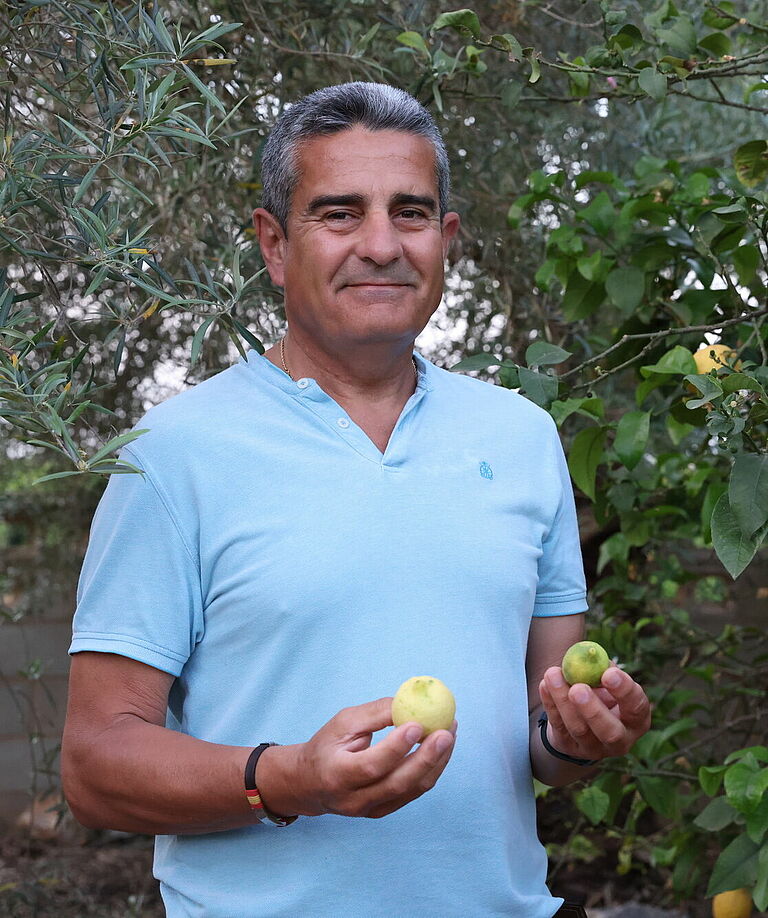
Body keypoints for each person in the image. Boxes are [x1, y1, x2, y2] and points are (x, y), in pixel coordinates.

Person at [62, 82, 651, 918]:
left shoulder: (521, 437)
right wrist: (285, 780)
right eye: (340, 214)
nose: (381, 245)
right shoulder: (172, 456)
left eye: (410, 213)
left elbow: (540, 742)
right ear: (274, 245)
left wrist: (579, 736)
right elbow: (94, 766)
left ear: (446, 240)